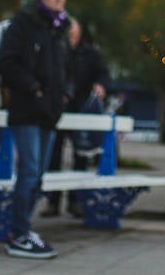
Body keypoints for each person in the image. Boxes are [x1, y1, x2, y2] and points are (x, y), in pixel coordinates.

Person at [0, 0, 72, 260]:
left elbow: (65, 67)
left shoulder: (60, 29)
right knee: (28, 173)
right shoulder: (24, 23)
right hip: (27, 110)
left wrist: (65, 93)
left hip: (49, 113)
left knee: (38, 176)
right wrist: (34, 88)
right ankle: (18, 233)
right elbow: (6, 62)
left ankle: (22, 229)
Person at [42, 17, 112, 218]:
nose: (70, 37)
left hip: (81, 111)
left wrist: (100, 85)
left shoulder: (90, 54)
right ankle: (52, 202)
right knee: (53, 156)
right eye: (68, 34)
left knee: (81, 155)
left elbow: (103, 73)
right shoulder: (55, 50)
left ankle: (76, 201)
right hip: (56, 110)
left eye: (73, 34)